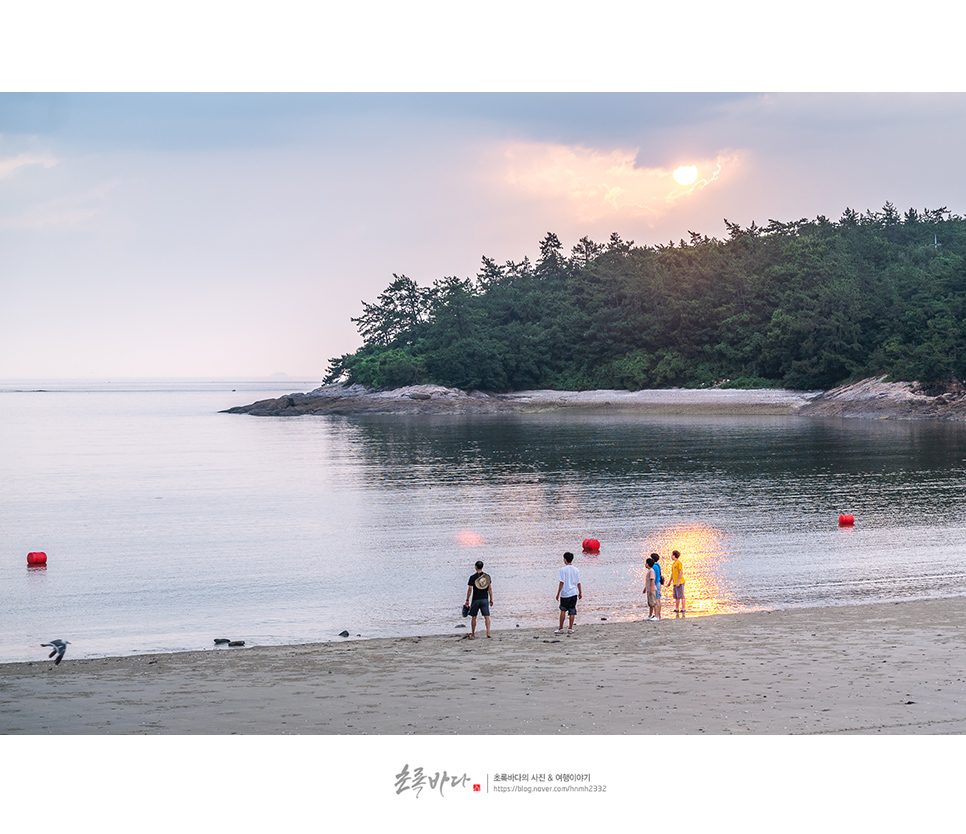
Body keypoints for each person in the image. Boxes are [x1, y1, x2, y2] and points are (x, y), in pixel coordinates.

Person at [555, 551, 582, 635]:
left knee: (563, 610)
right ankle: (570, 628)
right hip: (574, 592)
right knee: (572, 610)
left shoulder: (562, 570)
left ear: (565, 559)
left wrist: (558, 593)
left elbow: (561, 582)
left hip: (565, 593)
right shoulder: (576, 570)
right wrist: (580, 592)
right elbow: (578, 582)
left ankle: (561, 628)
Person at [465, 560, 493, 638]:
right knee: (486, 616)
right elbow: (490, 589)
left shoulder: (472, 577)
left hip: (476, 599)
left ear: (475, 567)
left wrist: (467, 600)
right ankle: (488, 632)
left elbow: (470, 589)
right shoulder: (487, 577)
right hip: (484, 599)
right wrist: (491, 599)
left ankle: (473, 634)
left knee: (474, 616)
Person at [670, 549, 686, 613]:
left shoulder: (679, 563)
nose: (671, 556)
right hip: (675, 582)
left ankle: (683, 608)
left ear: (674, 556)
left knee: (681, 595)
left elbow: (680, 572)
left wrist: (678, 581)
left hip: (680, 582)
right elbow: (672, 574)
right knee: (676, 596)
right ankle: (676, 608)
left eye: (672, 555)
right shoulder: (674, 564)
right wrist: (670, 581)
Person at [650, 552, 663, 620]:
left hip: (656, 583)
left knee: (656, 600)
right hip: (658, 583)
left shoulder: (654, 566)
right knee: (658, 599)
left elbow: (653, 576)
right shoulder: (658, 565)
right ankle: (658, 614)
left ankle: (657, 615)